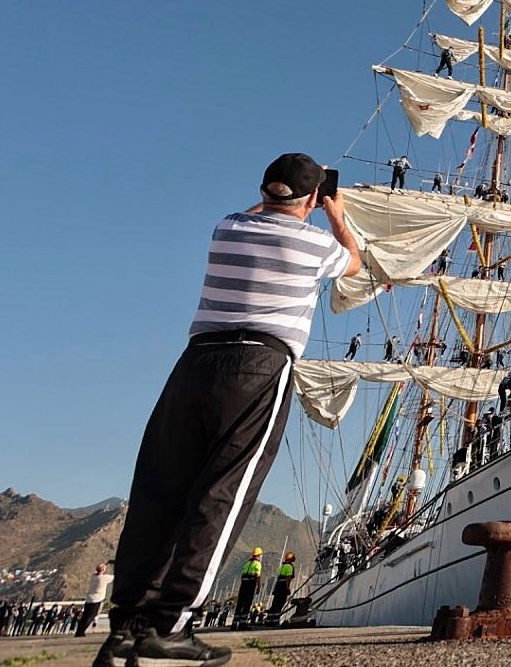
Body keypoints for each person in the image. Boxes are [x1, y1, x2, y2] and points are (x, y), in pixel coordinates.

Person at [96, 153, 360, 667]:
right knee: (224, 494)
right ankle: (170, 630)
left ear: (264, 190)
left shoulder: (228, 226)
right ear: (310, 199)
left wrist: (290, 194)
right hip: (260, 365)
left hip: (194, 363)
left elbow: (261, 208)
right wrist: (335, 213)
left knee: (158, 491)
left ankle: (127, 629)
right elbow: (353, 261)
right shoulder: (314, 244)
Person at [75, 564, 113, 637]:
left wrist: (105, 564)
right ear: (103, 570)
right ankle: (81, 632)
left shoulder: (93, 577)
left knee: (84, 616)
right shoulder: (104, 578)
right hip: (97, 599)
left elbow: (97, 571)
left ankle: (79, 631)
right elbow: (114, 576)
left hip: (89, 599)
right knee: (91, 617)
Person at [234, 549, 262, 628]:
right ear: (258, 555)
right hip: (250, 586)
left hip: (243, 585)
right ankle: (242, 624)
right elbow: (258, 576)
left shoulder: (247, 563)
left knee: (240, 604)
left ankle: (234, 624)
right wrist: (258, 587)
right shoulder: (257, 564)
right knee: (247, 604)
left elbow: (242, 575)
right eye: (260, 555)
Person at [265, 553, 295, 624]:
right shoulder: (290, 567)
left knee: (274, 604)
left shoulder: (282, 566)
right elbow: (288, 578)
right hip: (283, 587)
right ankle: (275, 621)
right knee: (279, 604)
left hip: (278, 586)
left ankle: (269, 621)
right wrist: (288, 588)